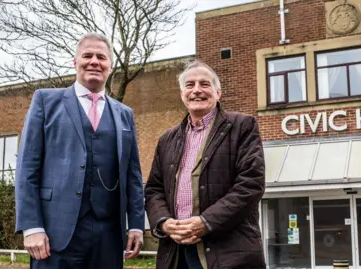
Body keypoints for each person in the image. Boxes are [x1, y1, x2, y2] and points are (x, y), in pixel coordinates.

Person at [15, 33, 145, 269]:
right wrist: (31, 226)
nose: (94, 61)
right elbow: (27, 168)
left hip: (108, 235)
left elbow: (133, 175)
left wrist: (135, 224)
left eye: (101, 57)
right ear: (75, 62)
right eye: (87, 55)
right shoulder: (45, 101)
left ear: (110, 66)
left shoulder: (124, 113)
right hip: (55, 234)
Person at [145, 60, 266, 269]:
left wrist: (205, 222)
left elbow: (250, 184)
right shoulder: (167, 139)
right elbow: (154, 189)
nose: (197, 90)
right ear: (182, 94)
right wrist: (164, 222)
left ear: (218, 93)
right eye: (190, 85)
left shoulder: (242, 126)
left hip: (228, 253)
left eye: (205, 84)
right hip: (176, 252)